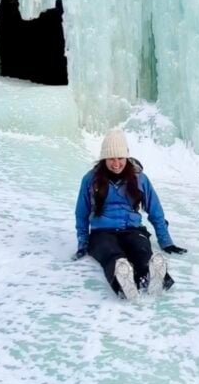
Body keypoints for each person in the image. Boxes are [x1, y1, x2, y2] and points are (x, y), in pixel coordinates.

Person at [73, 128, 187, 300]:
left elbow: (155, 210)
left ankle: (150, 279)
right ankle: (123, 285)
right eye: (111, 159)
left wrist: (166, 242)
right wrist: (82, 244)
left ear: (126, 157)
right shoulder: (90, 179)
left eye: (120, 158)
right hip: (101, 233)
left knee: (142, 252)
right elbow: (81, 214)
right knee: (113, 256)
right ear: (104, 159)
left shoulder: (140, 178)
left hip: (133, 230)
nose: (116, 163)